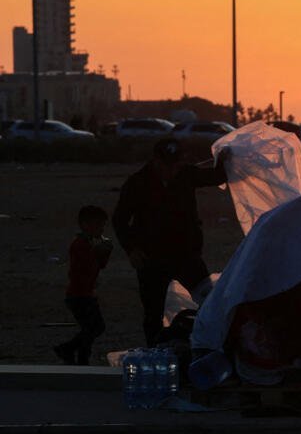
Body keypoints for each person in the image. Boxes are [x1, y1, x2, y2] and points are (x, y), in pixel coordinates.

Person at [112, 138, 231, 345]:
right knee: (153, 313)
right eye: (166, 165)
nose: (171, 170)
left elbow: (217, 176)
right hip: (152, 260)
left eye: (175, 165)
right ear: (156, 161)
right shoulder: (137, 182)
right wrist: (131, 249)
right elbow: (119, 219)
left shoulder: (187, 175)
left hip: (186, 256)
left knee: (209, 302)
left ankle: (210, 346)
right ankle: (154, 353)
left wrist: (224, 156)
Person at [55, 206, 113, 365]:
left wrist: (103, 253)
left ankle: (80, 356)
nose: (101, 229)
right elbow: (82, 269)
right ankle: (70, 349)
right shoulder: (80, 245)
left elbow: (99, 265)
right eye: (98, 225)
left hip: (84, 294)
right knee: (95, 327)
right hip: (80, 295)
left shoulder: (88, 243)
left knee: (91, 328)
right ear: (85, 225)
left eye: (102, 225)